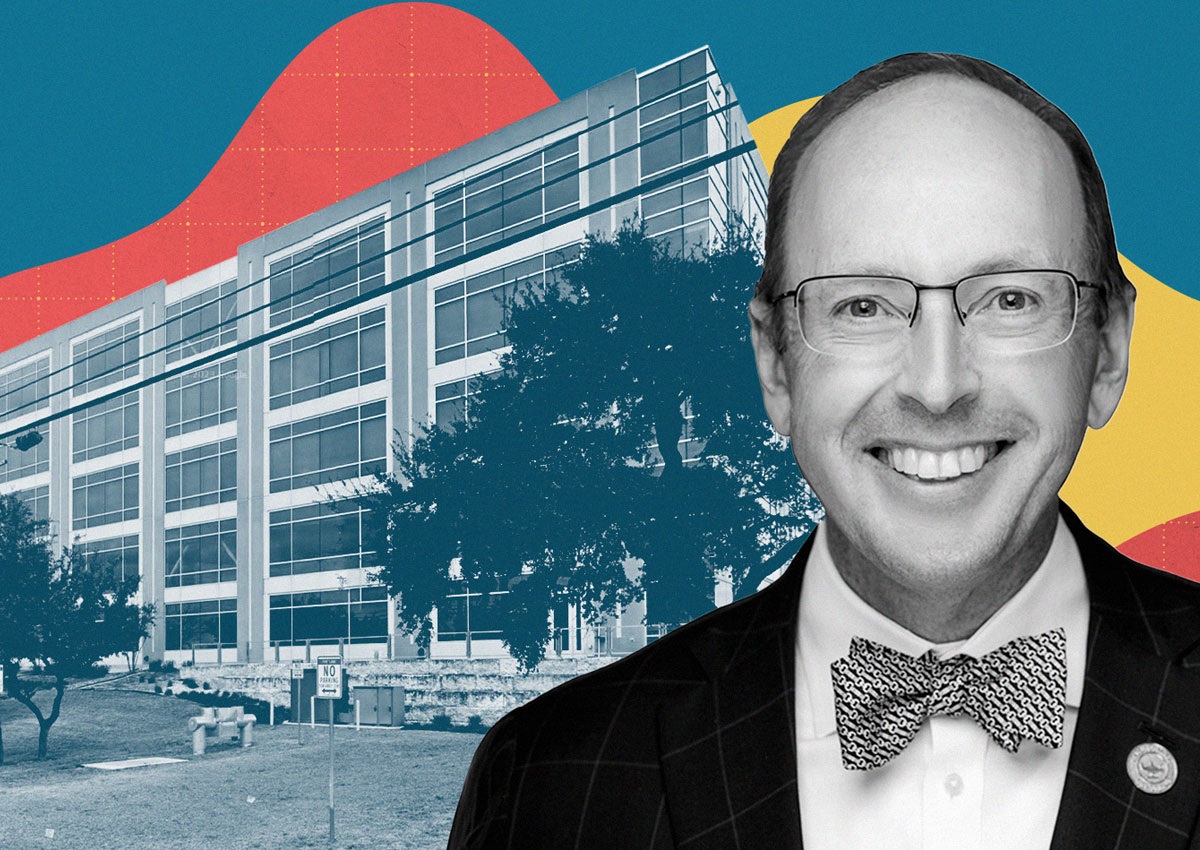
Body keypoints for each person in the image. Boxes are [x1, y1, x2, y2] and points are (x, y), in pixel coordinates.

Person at [447, 52, 1200, 850]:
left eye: (1010, 298)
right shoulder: (550, 776)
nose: (937, 387)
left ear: (1109, 350)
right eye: (864, 305)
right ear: (776, 365)